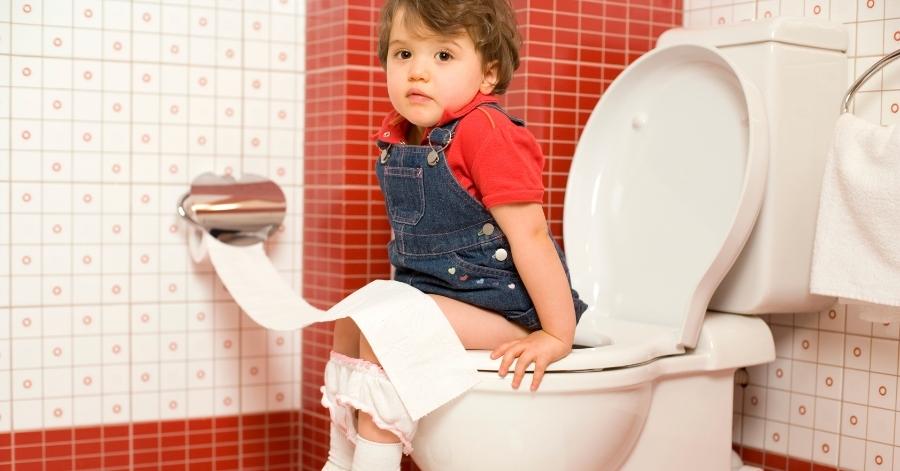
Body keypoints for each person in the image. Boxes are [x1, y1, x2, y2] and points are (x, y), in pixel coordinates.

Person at [320, 0, 588, 469]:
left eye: (443, 56)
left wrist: (555, 334)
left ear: (487, 73)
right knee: (355, 318)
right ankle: (341, 460)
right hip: (442, 299)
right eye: (404, 55)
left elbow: (531, 237)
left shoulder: (487, 133)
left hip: (503, 307)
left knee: (386, 329)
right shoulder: (402, 137)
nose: (418, 72)